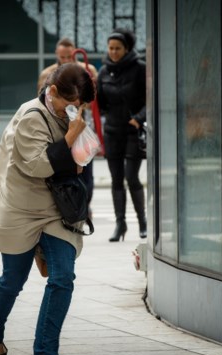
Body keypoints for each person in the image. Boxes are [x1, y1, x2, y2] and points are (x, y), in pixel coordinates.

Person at [0, 63, 95, 355]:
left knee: (63, 277)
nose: (73, 110)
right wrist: (71, 139)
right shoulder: (31, 115)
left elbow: (82, 160)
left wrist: (77, 141)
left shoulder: (72, 114)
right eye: (69, 103)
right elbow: (36, 166)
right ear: (52, 92)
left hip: (56, 209)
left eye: (79, 105)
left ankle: (47, 352)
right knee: (13, 280)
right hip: (21, 207)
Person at [38, 38, 99, 214]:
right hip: (59, 127)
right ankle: (69, 206)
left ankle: (84, 205)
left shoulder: (87, 70)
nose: (65, 60)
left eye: (68, 57)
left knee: (86, 168)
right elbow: (42, 101)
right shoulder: (47, 74)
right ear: (57, 55)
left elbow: (93, 100)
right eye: (62, 57)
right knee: (65, 169)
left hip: (82, 125)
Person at [97, 28, 147, 241]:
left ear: (127, 49)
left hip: (133, 131)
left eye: (118, 48)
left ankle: (143, 222)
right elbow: (99, 102)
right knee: (116, 179)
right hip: (112, 132)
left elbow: (151, 99)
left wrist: (139, 117)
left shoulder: (140, 69)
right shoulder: (104, 71)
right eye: (111, 48)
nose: (114, 52)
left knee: (131, 177)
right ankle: (120, 225)